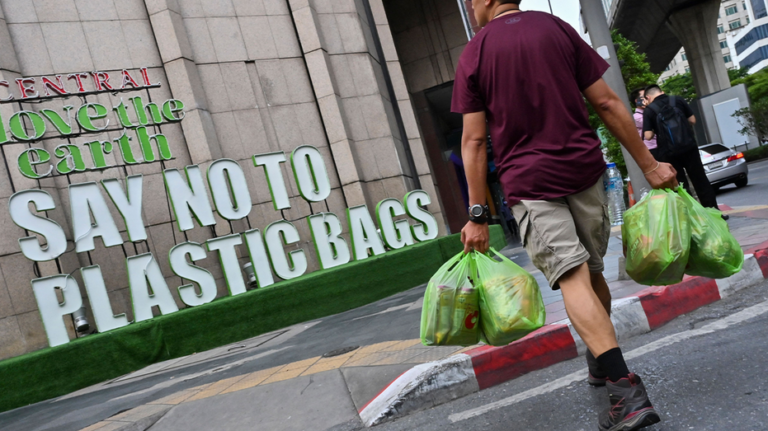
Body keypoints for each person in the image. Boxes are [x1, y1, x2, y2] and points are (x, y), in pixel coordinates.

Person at [452, 1, 678, 430]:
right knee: (592, 275)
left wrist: (478, 215)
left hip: (531, 183)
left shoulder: (476, 52)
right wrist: (649, 166)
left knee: (571, 277)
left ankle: (624, 390)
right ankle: (599, 359)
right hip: (585, 171)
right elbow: (608, 102)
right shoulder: (555, 28)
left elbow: (475, 142)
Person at [643, 85, 719, 210]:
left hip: (669, 152)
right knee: (700, 180)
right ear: (662, 92)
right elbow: (693, 120)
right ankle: (714, 212)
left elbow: (648, 135)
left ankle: (691, 216)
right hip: (689, 147)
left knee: (681, 185)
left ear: (648, 97)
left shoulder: (650, 109)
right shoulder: (677, 100)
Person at [630, 88, 659, 159]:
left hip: (660, 146)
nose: (647, 98)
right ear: (637, 101)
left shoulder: (649, 112)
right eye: (644, 97)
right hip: (652, 149)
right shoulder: (636, 117)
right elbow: (656, 123)